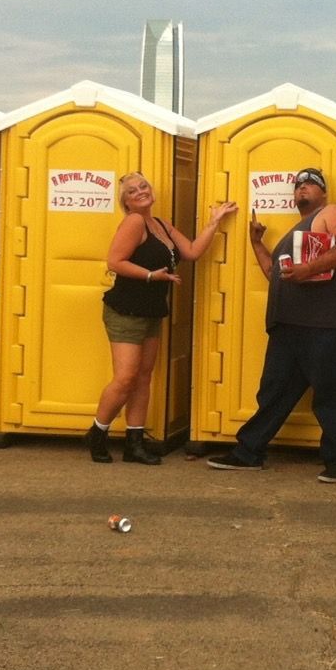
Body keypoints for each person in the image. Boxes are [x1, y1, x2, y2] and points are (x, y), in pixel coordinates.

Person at [207, 167, 336, 483]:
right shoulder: (297, 233)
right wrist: (257, 243)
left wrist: (310, 269)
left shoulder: (331, 213)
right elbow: (274, 273)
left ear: (323, 192)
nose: (302, 188)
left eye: (311, 183)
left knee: (330, 392)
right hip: (288, 325)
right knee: (274, 392)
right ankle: (248, 452)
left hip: (324, 323)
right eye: (298, 185)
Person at [89, 173, 237, 465]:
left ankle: (134, 444)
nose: (141, 192)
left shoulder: (161, 225)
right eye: (133, 191)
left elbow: (192, 252)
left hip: (151, 309)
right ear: (127, 202)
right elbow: (114, 262)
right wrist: (150, 276)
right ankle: (97, 433)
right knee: (126, 377)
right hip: (126, 310)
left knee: (144, 377)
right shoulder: (134, 222)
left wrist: (214, 221)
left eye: (143, 186)